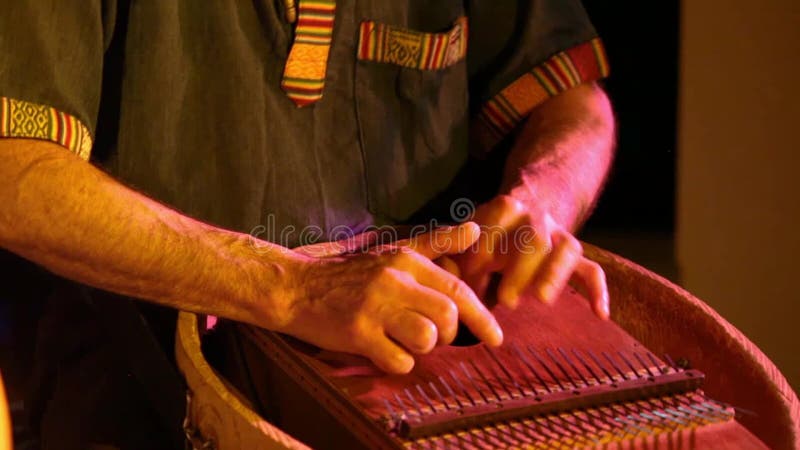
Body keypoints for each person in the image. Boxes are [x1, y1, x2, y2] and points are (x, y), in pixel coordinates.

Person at [0, 0, 615, 448]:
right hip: (137, 402)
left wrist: (542, 199)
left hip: (430, 393)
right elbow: (12, 173)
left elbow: (572, 99)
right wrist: (294, 287)